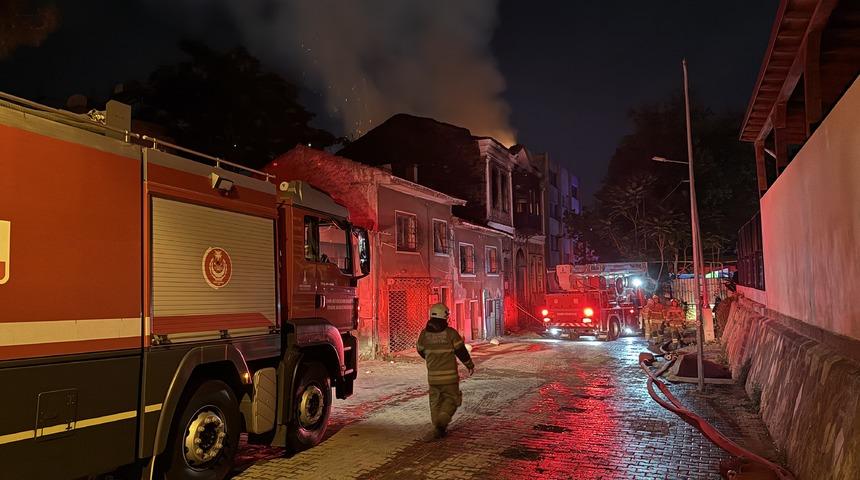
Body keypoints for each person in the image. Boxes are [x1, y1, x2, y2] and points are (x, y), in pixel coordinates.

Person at [416, 303, 475, 440]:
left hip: (433, 378)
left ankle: (437, 428)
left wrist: (431, 358)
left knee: (435, 401)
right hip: (450, 378)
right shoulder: (451, 334)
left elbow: (420, 350)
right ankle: (441, 424)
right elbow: (461, 351)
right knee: (452, 399)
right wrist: (469, 365)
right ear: (444, 316)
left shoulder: (424, 335)